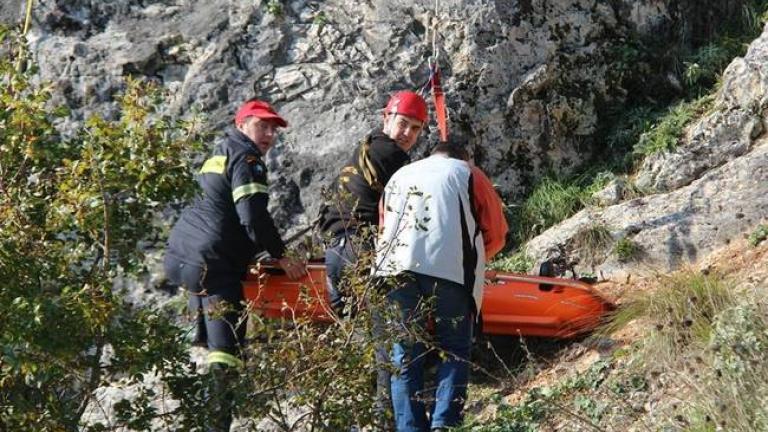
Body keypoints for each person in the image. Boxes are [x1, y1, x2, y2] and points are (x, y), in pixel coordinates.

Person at [163, 98, 305, 431]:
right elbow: (252, 216)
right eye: (262, 126)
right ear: (242, 125)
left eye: (274, 129)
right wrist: (281, 255)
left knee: (211, 345)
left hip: (180, 258)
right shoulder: (247, 157)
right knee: (226, 354)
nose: (269, 134)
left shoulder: (220, 151)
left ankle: (198, 412)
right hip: (213, 264)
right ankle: (217, 424)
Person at [374, 143, 507, 432]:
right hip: (449, 273)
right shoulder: (467, 172)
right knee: (455, 347)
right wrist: (475, 259)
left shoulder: (399, 175)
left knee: (405, 355)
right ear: (465, 156)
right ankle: (445, 424)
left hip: (393, 271)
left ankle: (409, 427)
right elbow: (496, 232)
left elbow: (382, 225)